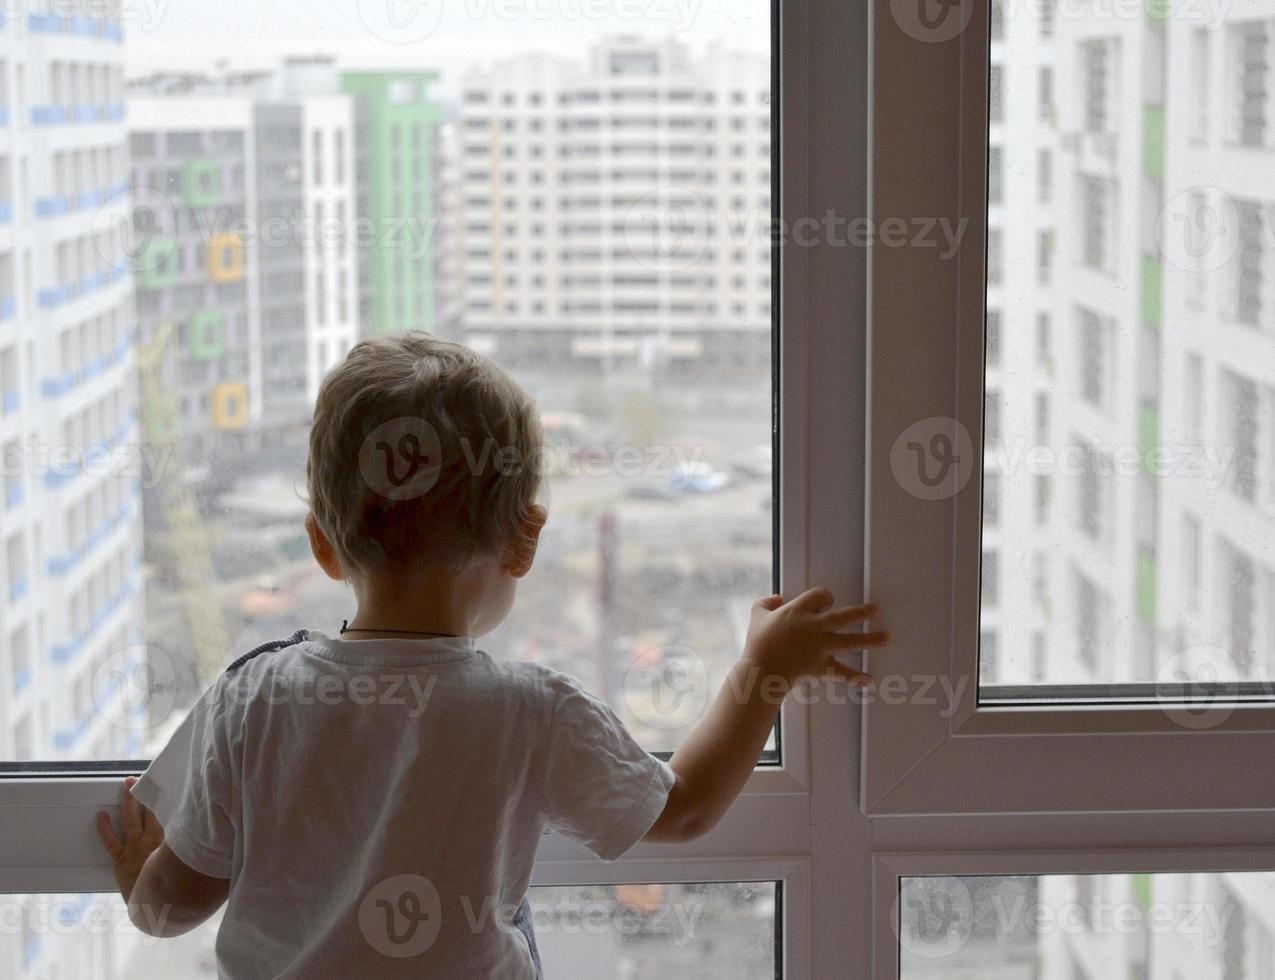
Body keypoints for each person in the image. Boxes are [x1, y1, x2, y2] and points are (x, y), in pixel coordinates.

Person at [95, 333, 888, 978]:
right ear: (523, 540)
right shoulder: (529, 710)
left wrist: (139, 874)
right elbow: (681, 809)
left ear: (322, 548)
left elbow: (172, 909)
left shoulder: (254, 697)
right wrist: (763, 671)